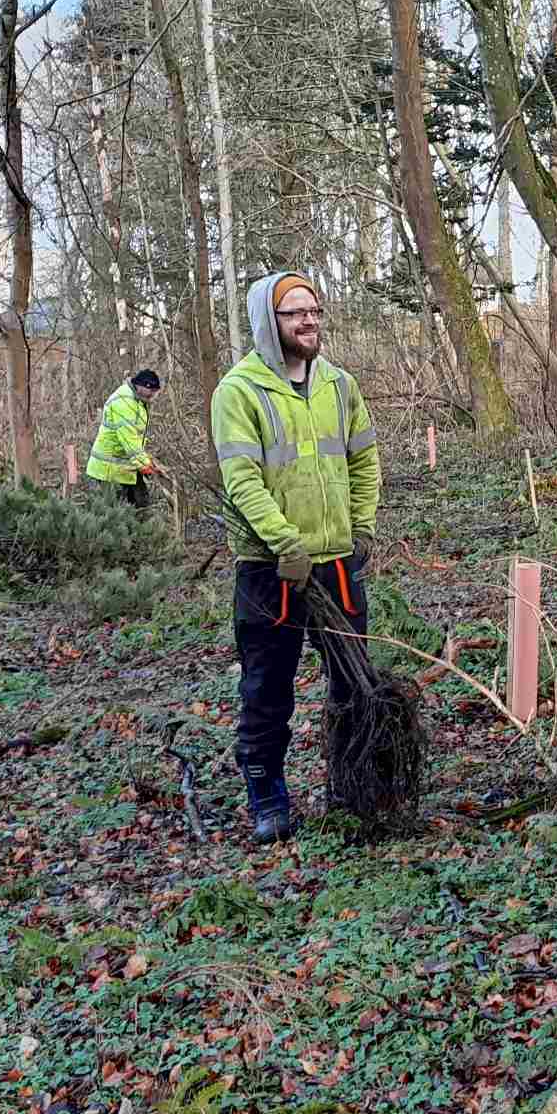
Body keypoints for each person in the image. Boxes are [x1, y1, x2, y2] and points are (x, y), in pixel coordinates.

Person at [211, 271, 382, 843]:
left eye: (314, 311)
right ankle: (268, 798)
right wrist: (282, 541)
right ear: (268, 321)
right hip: (270, 569)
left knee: (352, 683)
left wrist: (361, 527)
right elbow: (241, 478)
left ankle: (348, 785)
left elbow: (363, 461)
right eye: (294, 313)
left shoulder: (339, 384)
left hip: (336, 563)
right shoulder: (240, 391)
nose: (308, 321)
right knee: (267, 689)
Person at [85, 369, 163, 508]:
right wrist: (144, 464)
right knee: (113, 515)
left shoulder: (138, 401)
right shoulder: (124, 402)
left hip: (124, 466)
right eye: (151, 391)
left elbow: (137, 438)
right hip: (106, 472)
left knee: (142, 506)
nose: (153, 395)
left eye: (155, 392)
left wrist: (147, 461)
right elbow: (129, 438)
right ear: (140, 386)